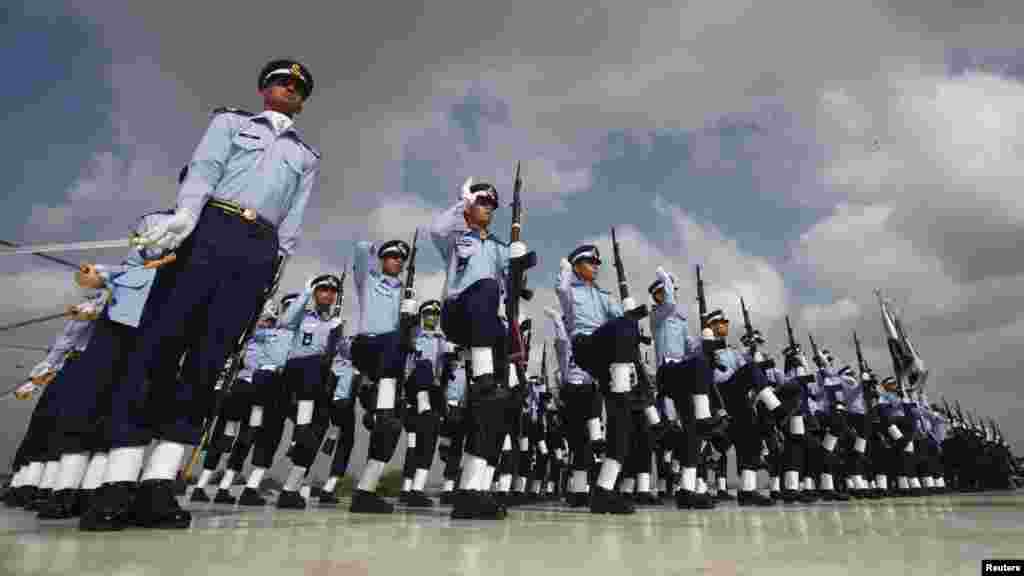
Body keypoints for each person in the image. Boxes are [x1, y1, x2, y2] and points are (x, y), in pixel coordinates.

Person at [80, 59, 319, 531]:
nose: (288, 88)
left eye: (296, 86)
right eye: (280, 81)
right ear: (263, 87)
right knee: (157, 348)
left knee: (209, 363)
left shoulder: (307, 156)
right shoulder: (229, 122)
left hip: (257, 248)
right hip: (209, 227)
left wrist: (276, 266)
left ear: (303, 99)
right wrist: (188, 215)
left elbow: (294, 216)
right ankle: (118, 480)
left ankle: (159, 482)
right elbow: (206, 168)